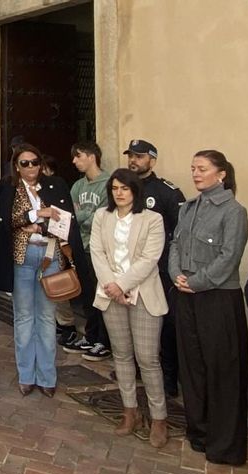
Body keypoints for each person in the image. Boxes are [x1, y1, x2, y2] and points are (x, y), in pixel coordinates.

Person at [169, 149, 248, 466]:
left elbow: (229, 257)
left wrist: (198, 281)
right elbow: (175, 244)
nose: (196, 173)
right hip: (186, 295)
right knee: (193, 366)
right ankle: (198, 431)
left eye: (202, 168)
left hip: (216, 298)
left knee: (221, 371)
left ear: (221, 174)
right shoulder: (188, 208)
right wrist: (176, 274)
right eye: (193, 168)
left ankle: (225, 443)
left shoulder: (233, 211)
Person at [0, 144, 80, 398]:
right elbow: (9, 221)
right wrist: (37, 213)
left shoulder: (56, 185)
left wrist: (37, 227)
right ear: (16, 166)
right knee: (24, 316)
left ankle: (47, 376)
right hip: (21, 258)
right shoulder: (8, 187)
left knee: (47, 317)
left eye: (34, 162)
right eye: (24, 163)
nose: (30, 167)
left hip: (50, 256)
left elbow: (65, 221)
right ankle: (26, 374)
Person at [88, 169, 169, 448]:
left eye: (125, 188)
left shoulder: (152, 219)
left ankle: (159, 418)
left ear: (135, 190)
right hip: (111, 294)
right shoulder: (102, 216)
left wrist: (123, 284)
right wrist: (112, 286)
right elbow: (97, 252)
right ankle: (129, 411)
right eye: (115, 188)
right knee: (121, 355)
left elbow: (149, 259)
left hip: (143, 294)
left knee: (147, 358)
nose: (119, 193)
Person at [124, 139, 186, 396]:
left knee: (166, 325)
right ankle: (136, 369)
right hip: (130, 271)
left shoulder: (167, 192)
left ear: (152, 159)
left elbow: (180, 233)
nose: (133, 161)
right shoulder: (123, 189)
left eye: (139, 156)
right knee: (132, 322)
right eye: (130, 156)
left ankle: (169, 377)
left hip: (160, 272)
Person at [66, 141, 112, 361]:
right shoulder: (77, 186)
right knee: (86, 294)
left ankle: (104, 340)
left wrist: (81, 215)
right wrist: (83, 216)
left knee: (100, 294)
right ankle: (91, 335)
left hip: (100, 248)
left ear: (92, 156)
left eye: (79, 155)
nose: (74, 161)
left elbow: (100, 219)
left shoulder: (109, 183)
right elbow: (73, 217)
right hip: (81, 247)